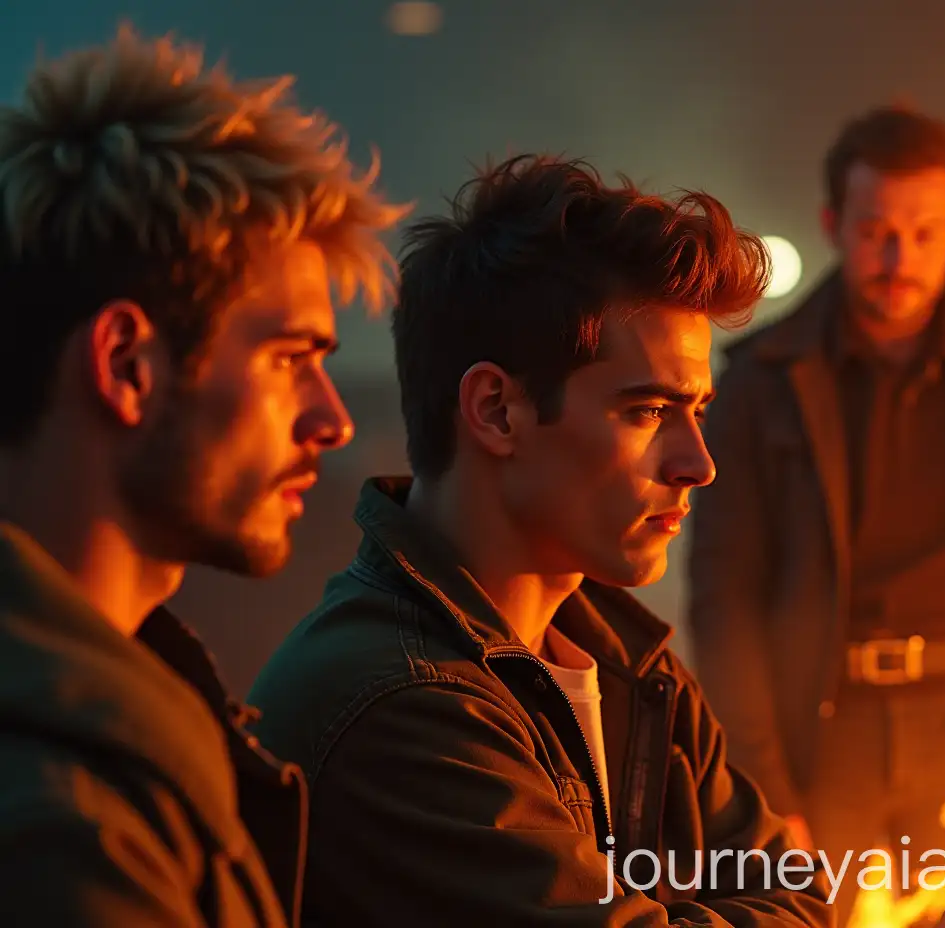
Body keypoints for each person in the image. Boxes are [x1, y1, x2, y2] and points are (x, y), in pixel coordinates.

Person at [246, 154, 833, 926]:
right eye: (649, 411)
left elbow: (802, 891)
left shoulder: (634, 671)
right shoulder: (400, 705)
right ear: (496, 410)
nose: (698, 463)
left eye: (698, 412)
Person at [0, 26, 407, 926]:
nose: (333, 420)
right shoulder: (60, 830)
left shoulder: (128, 733)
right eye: (290, 358)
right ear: (127, 364)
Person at [685, 104, 945, 925]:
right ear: (833, 224)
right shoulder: (762, 380)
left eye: (922, 233)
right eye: (876, 231)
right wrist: (764, 781)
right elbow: (723, 595)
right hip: (819, 736)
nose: (898, 258)